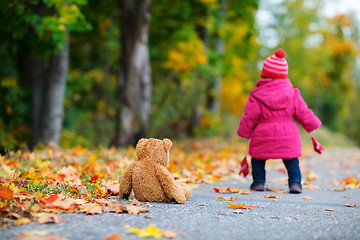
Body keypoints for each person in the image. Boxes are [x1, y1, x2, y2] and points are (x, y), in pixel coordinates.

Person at [237, 48, 321, 194]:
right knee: (291, 159)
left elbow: (249, 115)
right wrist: (312, 124)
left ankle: (258, 182)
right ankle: (295, 183)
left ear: (263, 74)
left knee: (257, 158)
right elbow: (303, 112)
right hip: (288, 133)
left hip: (264, 133)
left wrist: (245, 132)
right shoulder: (293, 93)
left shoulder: (257, 95)